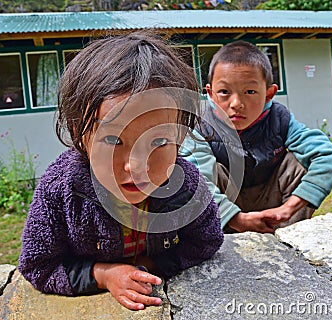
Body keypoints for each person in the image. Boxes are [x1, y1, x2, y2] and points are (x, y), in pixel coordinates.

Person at [18, 31, 224, 311]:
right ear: (81, 135)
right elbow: (38, 265)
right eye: (113, 140)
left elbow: (207, 239)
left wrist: (149, 267)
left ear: (180, 135)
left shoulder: (186, 185)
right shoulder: (60, 192)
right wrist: (104, 275)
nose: (136, 166)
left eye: (159, 142)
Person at [181, 40, 332, 234]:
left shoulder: (280, 120)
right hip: (226, 213)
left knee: (297, 163)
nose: (236, 103)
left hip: (276, 207)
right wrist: (237, 219)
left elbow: (330, 159)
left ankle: (288, 236)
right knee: (195, 174)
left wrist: (288, 209)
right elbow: (199, 184)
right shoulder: (200, 126)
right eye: (224, 92)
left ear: (269, 94)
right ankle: (224, 236)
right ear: (210, 94)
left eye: (250, 92)